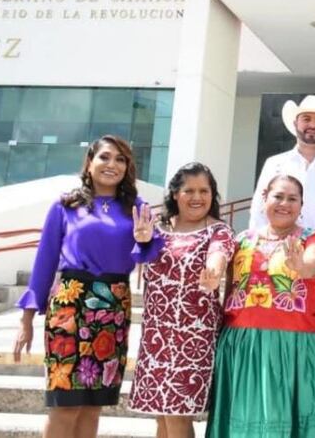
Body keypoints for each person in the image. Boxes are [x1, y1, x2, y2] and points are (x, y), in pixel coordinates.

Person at [12, 135, 161, 438]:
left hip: (113, 310)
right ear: (90, 162)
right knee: (65, 405)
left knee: (93, 406)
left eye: (120, 159)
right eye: (104, 157)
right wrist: (25, 320)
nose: (112, 164)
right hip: (70, 305)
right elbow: (44, 262)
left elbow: (151, 253)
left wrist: (145, 240)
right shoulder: (65, 205)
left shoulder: (136, 207)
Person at [207, 174, 315, 438]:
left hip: (294, 346)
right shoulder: (242, 240)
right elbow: (230, 288)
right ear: (264, 198)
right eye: (278, 196)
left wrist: (301, 266)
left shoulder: (312, 239)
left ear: (301, 205)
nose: (284, 204)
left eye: (292, 199)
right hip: (243, 345)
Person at [129, 162, 235, 437]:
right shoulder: (157, 228)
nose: (197, 197)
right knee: (162, 418)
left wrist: (214, 272)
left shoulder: (218, 231)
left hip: (192, 338)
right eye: (189, 190)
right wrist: (143, 241)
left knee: (177, 417)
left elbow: (219, 254)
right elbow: (140, 259)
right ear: (175, 194)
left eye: (204, 191)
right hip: (156, 336)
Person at [250, 94, 315, 327]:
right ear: (296, 123)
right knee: (273, 328)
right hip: (275, 260)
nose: (312, 125)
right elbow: (258, 210)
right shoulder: (276, 163)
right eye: (306, 119)